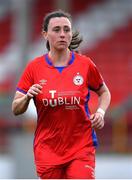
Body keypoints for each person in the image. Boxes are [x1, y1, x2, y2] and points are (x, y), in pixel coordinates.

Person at [12, 10, 111, 179]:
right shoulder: (34, 68)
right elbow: (16, 108)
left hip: (81, 146)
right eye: (57, 30)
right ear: (45, 34)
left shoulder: (85, 65)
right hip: (48, 149)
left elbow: (104, 92)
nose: (63, 34)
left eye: (67, 29)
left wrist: (100, 113)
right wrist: (28, 96)